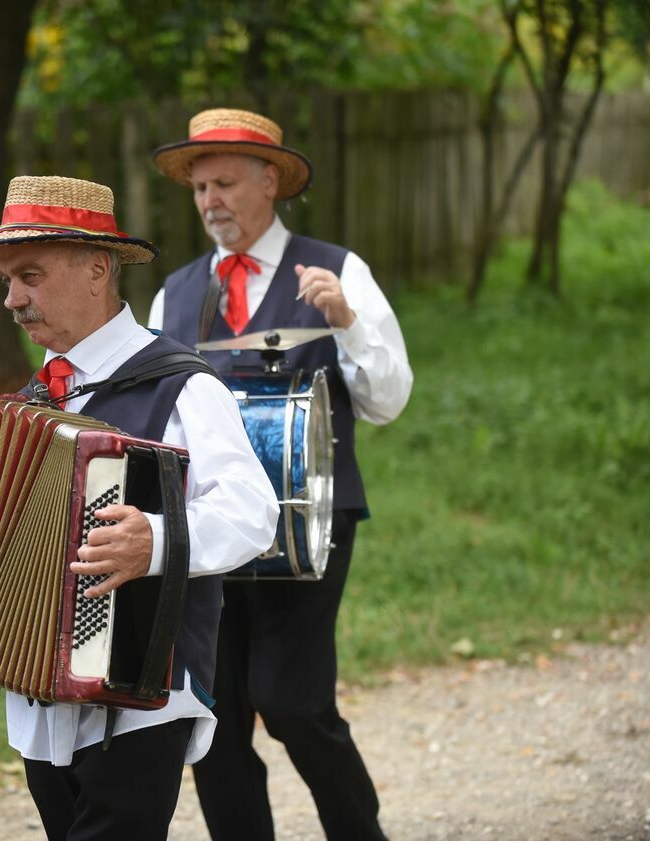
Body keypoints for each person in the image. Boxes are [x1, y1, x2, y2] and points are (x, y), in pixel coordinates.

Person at [0, 175, 278, 841]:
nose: (12, 298)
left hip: (144, 685)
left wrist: (152, 539)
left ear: (98, 268)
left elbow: (252, 512)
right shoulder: (36, 397)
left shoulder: (179, 383)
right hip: (40, 688)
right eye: (6, 279)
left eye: (29, 276)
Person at [149, 107, 414, 841]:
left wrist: (350, 322)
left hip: (311, 523)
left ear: (271, 181)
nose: (210, 201)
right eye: (200, 188)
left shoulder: (337, 267)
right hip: (208, 527)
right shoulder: (172, 294)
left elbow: (388, 400)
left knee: (293, 700)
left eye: (226, 183)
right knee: (216, 718)